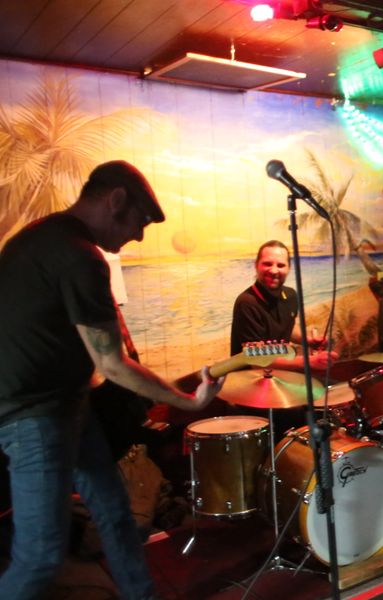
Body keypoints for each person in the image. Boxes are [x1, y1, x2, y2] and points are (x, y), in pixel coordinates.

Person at [0, 160, 225, 599]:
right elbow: (113, 364)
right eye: (141, 221)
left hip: (65, 406)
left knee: (115, 512)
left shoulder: (40, 237)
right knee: (40, 556)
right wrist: (188, 401)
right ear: (116, 200)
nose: (138, 236)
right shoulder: (79, 255)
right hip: (34, 417)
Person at [230, 240, 336, 371]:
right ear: (256, 265)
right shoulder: (247, 303)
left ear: (288, 268)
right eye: (267, 264)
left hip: (280, 373)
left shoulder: (290, 295)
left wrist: (308, 341)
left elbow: (287, 327)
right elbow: (256, 360)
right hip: (250, 376)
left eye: (280, 265)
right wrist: (309, 362)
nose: (274, 270)